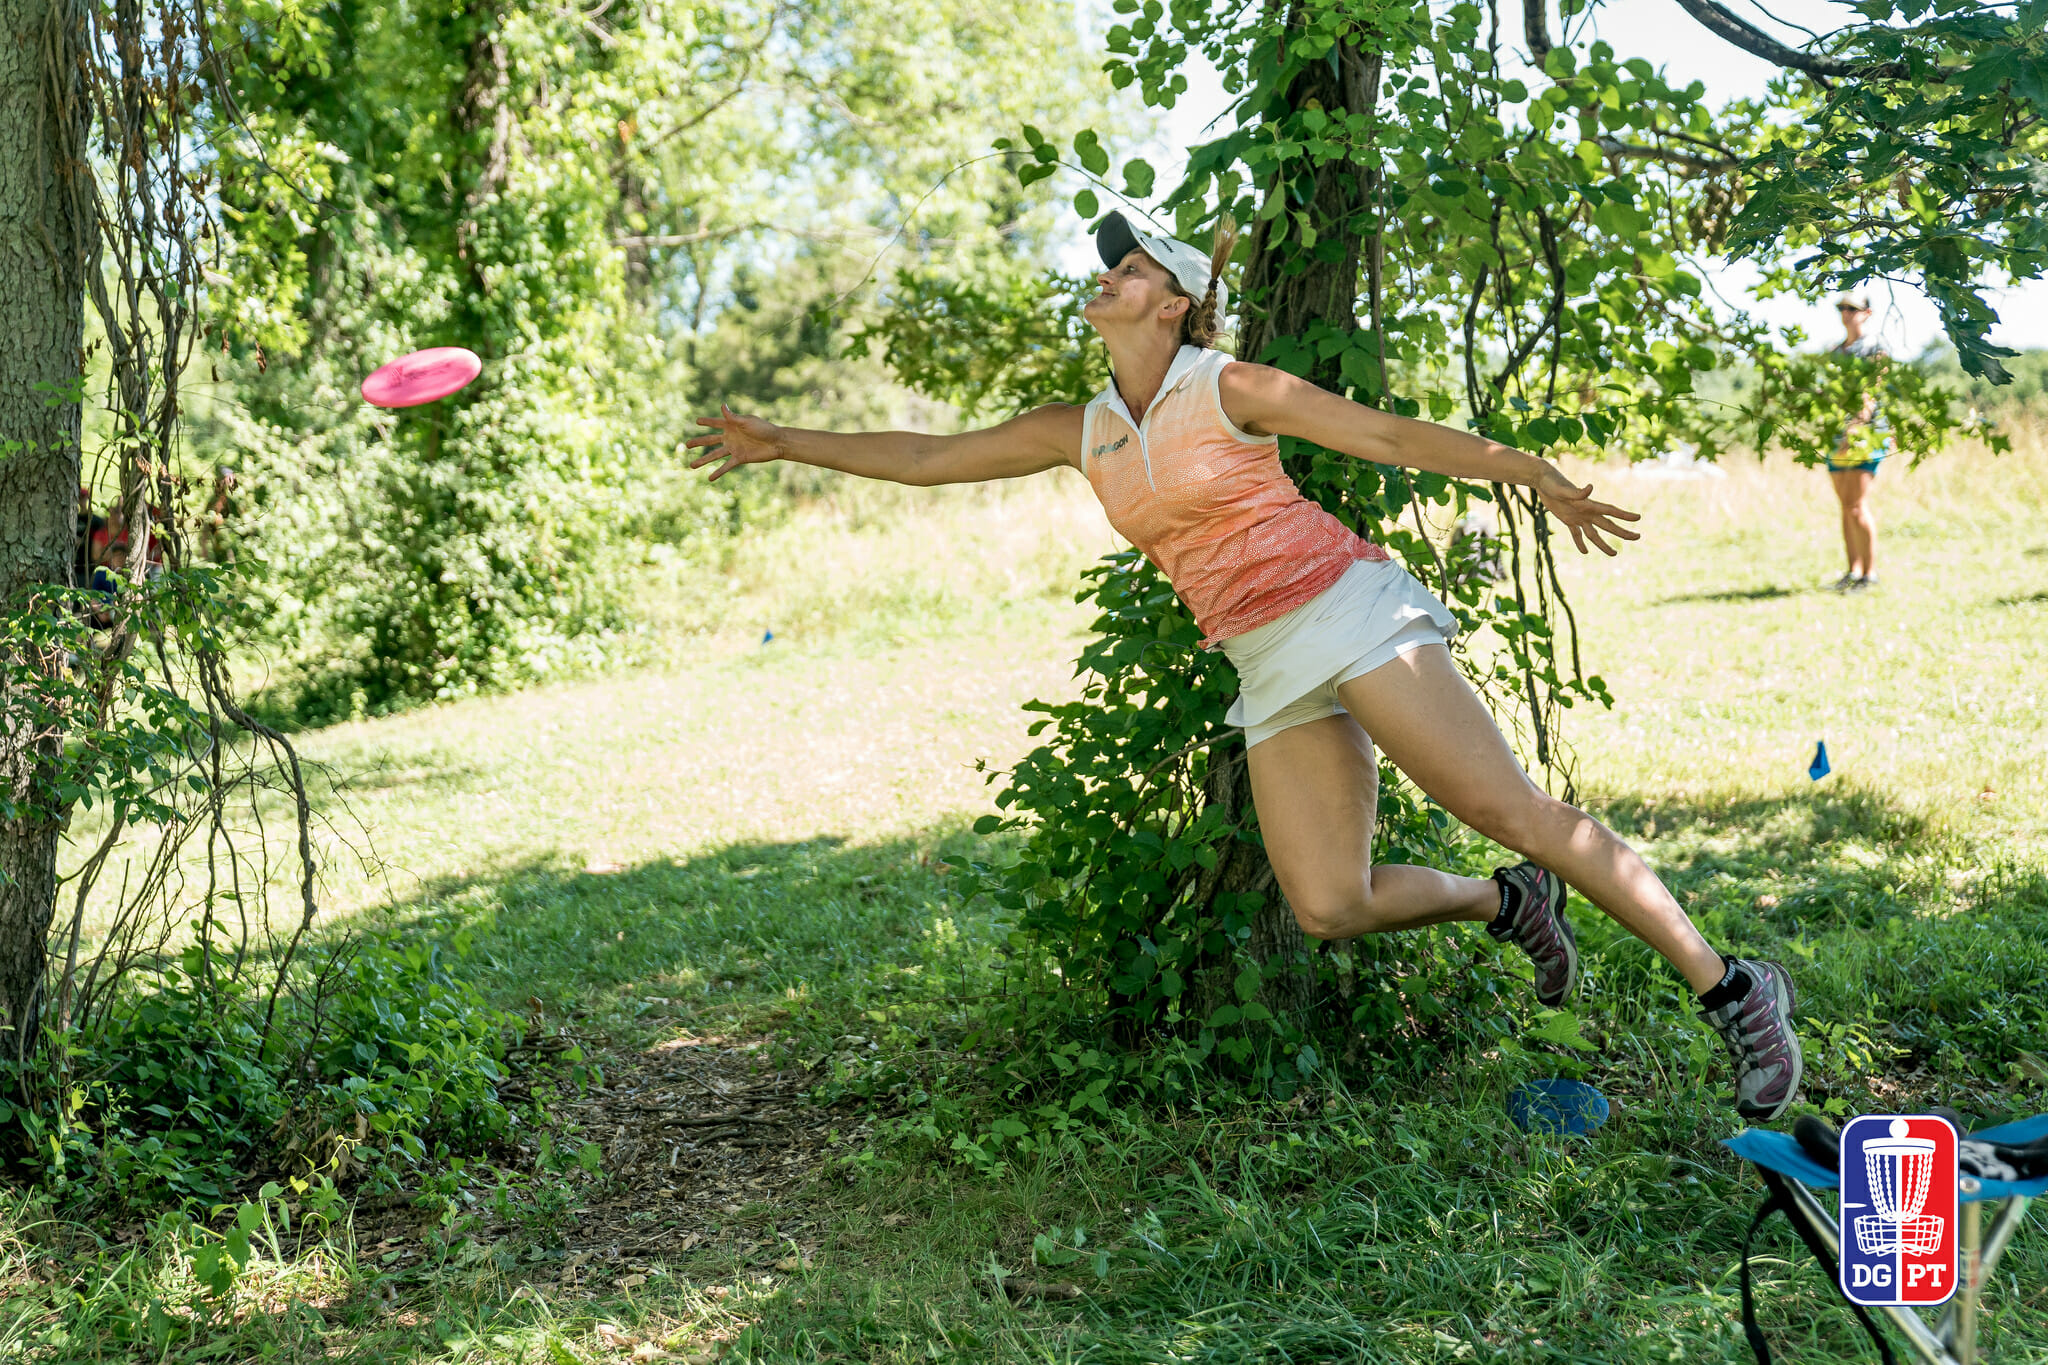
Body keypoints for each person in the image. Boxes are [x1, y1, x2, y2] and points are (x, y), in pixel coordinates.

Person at [686, 210, 1803, 1120]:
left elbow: (1390, 437)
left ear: (1172, 303)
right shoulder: (1080, 428)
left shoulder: (1228, 387)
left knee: (1511, 806)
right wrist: (785, 440)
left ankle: (1734, 989)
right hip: (1264, 662)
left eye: (1129, 270)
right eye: (1107, 269)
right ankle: (1505, 905)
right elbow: (928, 456)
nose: (1107, 279)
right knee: (1327, 902)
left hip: (1348, 612)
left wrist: (1532, 471)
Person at [1823, 294, 1891, 591]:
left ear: (1867, 312)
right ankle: (1852, 571)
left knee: (1857, 505)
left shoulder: (1876, 347)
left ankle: (1869, 574)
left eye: (1852, 308)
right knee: (1845, 506)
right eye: (1842, 308)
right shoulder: (1835, 351)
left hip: (1867, 436)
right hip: (1836, 436)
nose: (1846, 314)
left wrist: (1855, 427)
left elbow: (1872, 393)